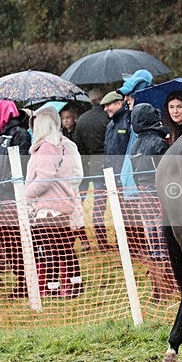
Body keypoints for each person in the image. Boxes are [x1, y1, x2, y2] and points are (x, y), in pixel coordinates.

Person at [25, 107, 84, 297]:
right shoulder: (61, 146)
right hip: (62, 206)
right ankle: (75, 285)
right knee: (65, 249)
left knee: (50, 251)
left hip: (48, 208)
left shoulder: (46, 149)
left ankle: (52, 289)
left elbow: (44, 178)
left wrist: (26, 193)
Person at [129, 103, 174, 301]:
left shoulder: (134, 146)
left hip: (143, 196)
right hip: (157, 194)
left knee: (153, 241)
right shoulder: (158, 143)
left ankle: (158, 289)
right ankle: (170, 285)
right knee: (165, 241)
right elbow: (168, 170)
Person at [0, 99, 31, 298]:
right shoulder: (0, 135)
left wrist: (7, 183)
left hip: (11, 198)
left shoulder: (19, 134)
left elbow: (21, 166)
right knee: (7, 244)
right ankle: (20, 280)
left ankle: (26, 281)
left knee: (16, 242)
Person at [118, 69, 154, 257]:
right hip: (136, 186)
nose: (126, 100)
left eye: (129, 95)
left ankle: (163, 266)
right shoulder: (134, 121)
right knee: (148, 229)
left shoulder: (148, 120)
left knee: (154, 228)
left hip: (144, 186)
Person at [73, 87, 110, 250]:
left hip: (90, 164)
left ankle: (96, 239)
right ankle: (108, 240)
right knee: (111, 203)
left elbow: (78, 146)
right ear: (102, 99)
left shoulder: (82, 120)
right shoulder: (107, 117)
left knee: (92, 204)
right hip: (109, 163)